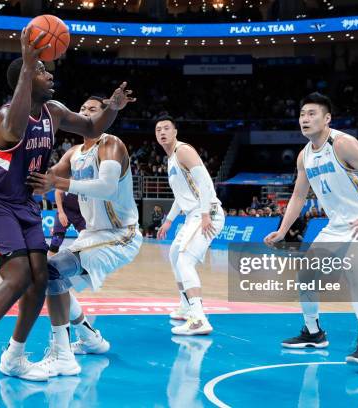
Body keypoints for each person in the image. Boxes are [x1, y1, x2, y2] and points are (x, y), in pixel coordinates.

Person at [0, 28, 134, 395]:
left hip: (24, 205)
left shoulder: (54, 111)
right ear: (27, 77)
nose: (51, 74)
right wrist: (28, 66)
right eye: (43, 71)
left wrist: (113, 108)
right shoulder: (7, 117)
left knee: (40, 277)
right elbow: (13, 128)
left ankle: (14, 356)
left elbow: (91, 126)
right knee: (16, 278)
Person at [264, 92, 358, 367]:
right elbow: (298, 197)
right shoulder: (304, 157)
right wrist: (283, 230)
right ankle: (313, 332)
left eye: (312, 114)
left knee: (354, 265)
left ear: (327, 118)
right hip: (337, 226)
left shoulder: (343, 144)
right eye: (302, 114)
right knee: (306, 271)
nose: (305, 119)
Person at [26, 96, 140, 376]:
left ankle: (62, 355)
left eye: (92, 110)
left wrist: (59, 182)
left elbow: (108, 187)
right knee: (50, 276)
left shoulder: (111, 145)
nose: (85, 113)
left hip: (120, 234)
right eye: (82, 109)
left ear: (104, 117)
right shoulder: (74, 153)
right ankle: (89, 338)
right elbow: (44, 183)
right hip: (92, 235)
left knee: (52, 271)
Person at [155, 116, 225, 335]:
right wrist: (168, 221)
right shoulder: (170, 160)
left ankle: (198, 318)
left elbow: (205, 182)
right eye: (158, 130)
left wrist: (205, 214)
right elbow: (181, 196)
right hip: (194, 214)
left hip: (207, 211)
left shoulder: (183, 151)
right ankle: (186, 306)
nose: (162, 132)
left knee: (185, 260)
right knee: (176, 254)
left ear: (175, 131)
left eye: (166, 128)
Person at [48, 190, 86, 257]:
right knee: (57, 239)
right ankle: (49, 264)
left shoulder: (92, 180)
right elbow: (58, 192)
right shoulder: (72, 179)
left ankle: (83, 265)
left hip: (82, 213)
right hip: (66, 210)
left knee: (87, 240)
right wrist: (61, 212)